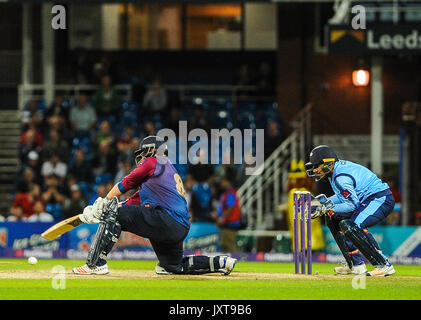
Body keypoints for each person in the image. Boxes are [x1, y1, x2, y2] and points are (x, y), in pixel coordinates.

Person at [72, 136, 237, 275]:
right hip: (179, 226)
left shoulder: (154, 161)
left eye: (144, 154)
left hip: (165, 218)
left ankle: (95, 264)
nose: (142, 159)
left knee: (113, 212)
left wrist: (104, 201)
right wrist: (103, 210)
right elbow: (132, 201)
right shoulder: (167, 171)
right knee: (174, 266)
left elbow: (126, 183)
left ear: (152, 150)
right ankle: (221, 262)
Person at [305, 145, 396, 277]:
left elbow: (352, 205)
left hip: (380, 198)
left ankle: (383, 264)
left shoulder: (340, 177)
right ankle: (355, 265)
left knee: (352, 226)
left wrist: (325, 207)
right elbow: (343, 196)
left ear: (328, 163)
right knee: (332, 217)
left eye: (317, 165)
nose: (315, 169)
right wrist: (323, 203)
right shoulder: (334, 172)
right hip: (367, 199)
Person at [215, 170, 242, 253]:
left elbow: (230, 207)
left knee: (229, 245)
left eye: (222, 181)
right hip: (227, 223)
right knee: (224, 245)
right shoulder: (227, 193)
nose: (221, 183)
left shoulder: (230, 193)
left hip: (230, 223)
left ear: (227, 182)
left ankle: (236, 263)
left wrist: (222, 218)